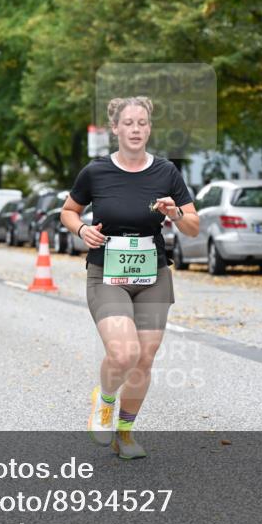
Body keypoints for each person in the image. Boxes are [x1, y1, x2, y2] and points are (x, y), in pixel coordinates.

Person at [60, 96, 199, 459]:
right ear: (116, 129)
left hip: (153, 273)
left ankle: (125, 433)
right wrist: (81, 230)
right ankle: (104, 401)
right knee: (124, 353)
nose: (136, 129)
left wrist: (175, 214)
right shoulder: (96, 172)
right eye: (129, 123)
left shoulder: (166, 172)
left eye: (142, 123)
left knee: (144, 360)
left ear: (149, 128)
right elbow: (69, 211)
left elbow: (194, 226)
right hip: (106, 272)